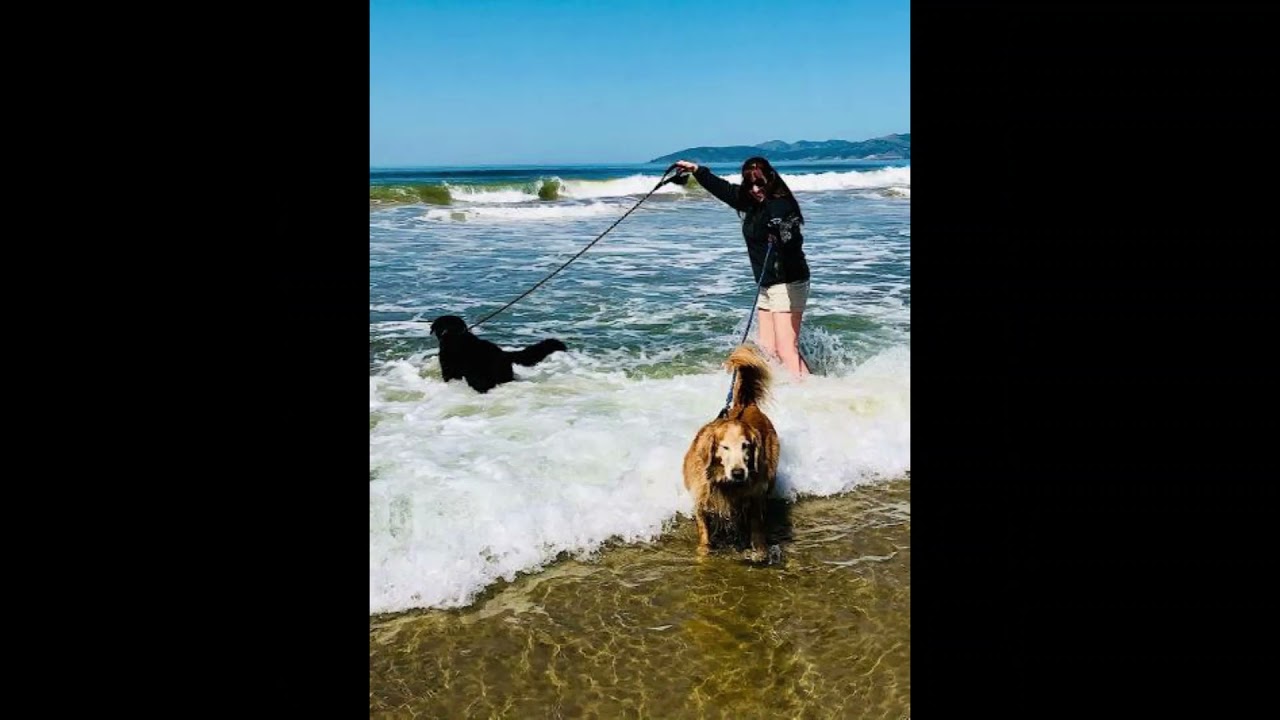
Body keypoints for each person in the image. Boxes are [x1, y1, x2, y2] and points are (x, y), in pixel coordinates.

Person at [674, 156, 811, 377]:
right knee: (768, 349)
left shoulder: (781, 204)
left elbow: (790, 232)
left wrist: (782, 232)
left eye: (760, 183)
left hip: (787, 282)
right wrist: (698, 170)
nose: (756, 189)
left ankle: (811, 394)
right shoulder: (750, 202)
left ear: (771, 179)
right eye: (751, 184)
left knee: (786, 350)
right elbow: (724, 189)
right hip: (767, 283)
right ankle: (785, 389)